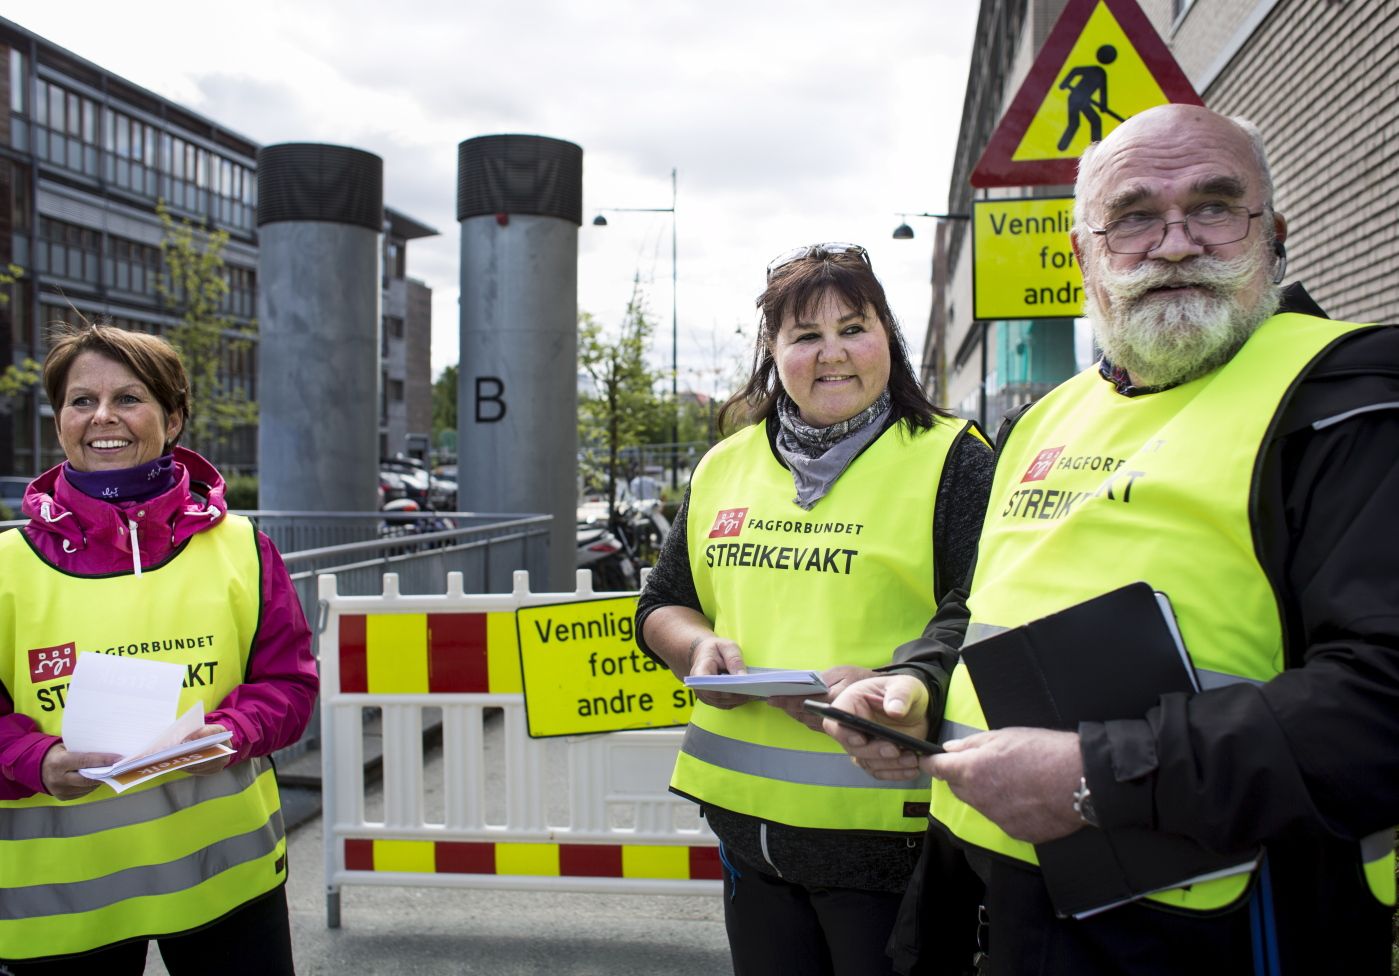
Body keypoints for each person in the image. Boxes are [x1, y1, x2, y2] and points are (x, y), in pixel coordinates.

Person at [826, 103, 1399, 974]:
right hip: (986, 901)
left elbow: (1382, 695)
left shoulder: (1349, 402)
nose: (1173, 243)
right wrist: (916, 681)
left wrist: (1100, 776)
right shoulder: (1041, 419)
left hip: (1221, 932)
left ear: (1273, 236)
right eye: (1132, 217)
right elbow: (983, 610)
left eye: (1211, 207)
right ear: (1081, 258)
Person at [636, 243, 994, 976]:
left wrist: (902, 681)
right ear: (773, 351)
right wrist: (696, 647)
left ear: (886, 338)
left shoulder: (952, 458)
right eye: (805, 336)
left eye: (853, 327)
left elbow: (984, 611)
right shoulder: (725, 463)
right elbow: (664, 603)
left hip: (894, 838)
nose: (832, 353)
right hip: (746, 837)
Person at [0, 322, 318, 973]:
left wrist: (232, 732)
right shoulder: (6, 564)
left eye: (129, 398)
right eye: (81, 400)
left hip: (225, 881)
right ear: (59, 419)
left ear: (173, 417)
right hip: (63, 901)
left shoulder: (241, 548)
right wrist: (37, 760)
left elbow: (290, 686)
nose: (103, 418)